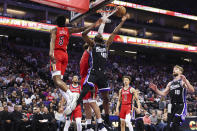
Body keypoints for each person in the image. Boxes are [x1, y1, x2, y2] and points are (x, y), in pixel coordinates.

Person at [65, 13, 130, 115]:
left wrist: (122, 21)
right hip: (94, 72)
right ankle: (75, 104)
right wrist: (94, 25)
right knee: (86, 89)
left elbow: (114, 32)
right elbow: (83, 34)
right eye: (97, 35)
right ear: (94, 40)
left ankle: (107, 118)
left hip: (102, 74)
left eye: (100, 34)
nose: (99, 34)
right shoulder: (92, 45)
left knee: (106, 98)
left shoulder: (106, 45)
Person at [49, 15, 89, 105]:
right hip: (65, 55)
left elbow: (52, 40)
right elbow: (81, 29)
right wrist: (94, 25)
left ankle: (71, 95)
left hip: (57, 54)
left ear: (57, 23)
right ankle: (69, 99)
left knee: (57, 80)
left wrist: (51, 52)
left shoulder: (54, 30)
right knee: (58, 82)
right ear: (64, 23)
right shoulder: (68, 30)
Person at [149, 65, 194, 131]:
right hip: (171, 105)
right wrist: (156, 89)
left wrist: (186, 81)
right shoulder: (170, 83)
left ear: (180, 72)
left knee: (176, 123)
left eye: (176, 69)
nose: (174, 70)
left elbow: (192, 90)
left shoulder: (183, 81)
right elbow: (163, 93)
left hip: (180, 104)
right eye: (173, 69)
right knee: (168, 125)